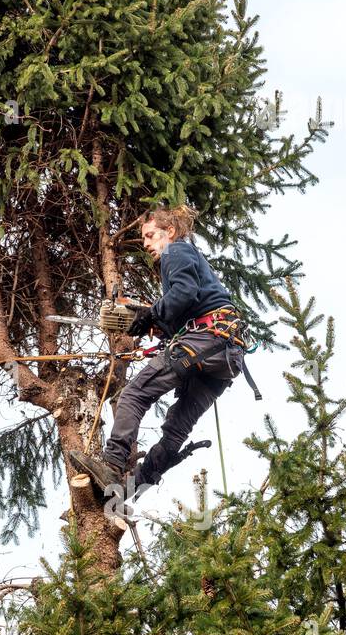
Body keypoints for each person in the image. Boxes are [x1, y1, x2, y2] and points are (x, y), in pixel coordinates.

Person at [69, 205, 257, 500]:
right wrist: (156, 324)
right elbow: (188, 304)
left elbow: (183, 293)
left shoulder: (176, 251)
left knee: (135, 394)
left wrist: (149, 315)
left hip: (208, 339)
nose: (146, 243)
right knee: (175, 431)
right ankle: (123, 492)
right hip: (226, 356)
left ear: (169, 231)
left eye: (150, 235)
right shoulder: (187, 258)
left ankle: (112, 464)